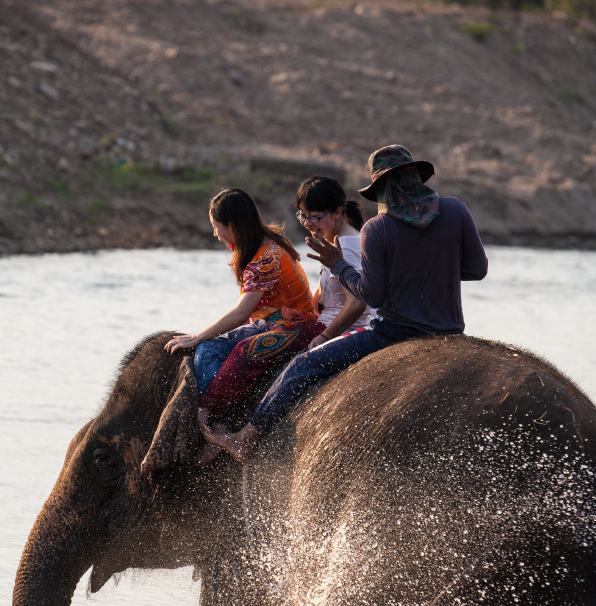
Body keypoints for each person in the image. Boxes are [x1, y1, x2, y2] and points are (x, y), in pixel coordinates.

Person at [204, 144, 488, 461]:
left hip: (393, 334)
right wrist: (433, 266)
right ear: (418, 179)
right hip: (450, 330)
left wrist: (338, 265)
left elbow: (371, 296)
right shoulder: (457, 210)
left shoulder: (377, 229)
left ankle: (246, 437)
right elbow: (477, 270)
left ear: (380, 189)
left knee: (303, 365)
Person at [164, 188, 321, 441]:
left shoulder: (265, 259)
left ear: (232, 225)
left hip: (289, 329)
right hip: (276, 323)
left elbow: (241, 313)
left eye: (216, 227)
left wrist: (197, 337)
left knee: (209, 349)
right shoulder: (272, 244)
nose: (215, 234)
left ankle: (209, 420)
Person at [294, 176, 376, 349]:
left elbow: (357, 302)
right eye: (303, 216)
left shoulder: (344, 247)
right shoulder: (342, 238)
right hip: (329, 323)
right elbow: (322, 291)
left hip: (341, 330)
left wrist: (324, 337)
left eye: (315, 217)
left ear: (337, 212)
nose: (307, 223)